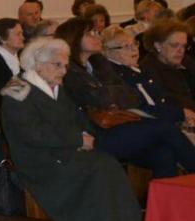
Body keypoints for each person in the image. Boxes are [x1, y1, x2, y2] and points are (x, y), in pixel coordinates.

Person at [0, 39, 142, 221]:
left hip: (65, 149)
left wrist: (87, 135)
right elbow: (32, 133)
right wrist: (77, 140)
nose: (64, 71)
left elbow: (77, 117)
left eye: (65, 65)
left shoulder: (55, 86)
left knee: (107, 163)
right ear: (38, 64)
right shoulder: (16, 90)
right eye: (58, 65)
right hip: (39, 158)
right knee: (94, 170)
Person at [59, 21, 195, 178]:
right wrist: (112, 94)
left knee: (164, 153)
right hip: (96, 133)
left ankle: (165, 202)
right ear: (74, 39)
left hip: (119, 125)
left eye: (97, 33)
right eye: (90, 33)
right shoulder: (69, 71)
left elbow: (129, 97)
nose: (97, 37)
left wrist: (111, 95)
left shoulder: (98, 64)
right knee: (166, 128)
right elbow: (102, 100)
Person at [141, 20, 194, 111]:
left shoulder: (186, 61)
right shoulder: (148, 69)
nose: (181, 51)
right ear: (158, 46)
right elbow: (168, 102)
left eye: (183, 46)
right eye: (174, 45)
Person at [0, 17, 24, 90]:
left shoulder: (23, 56)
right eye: (18, 34)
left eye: (22, 33)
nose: (23, 37)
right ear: (2, 39)